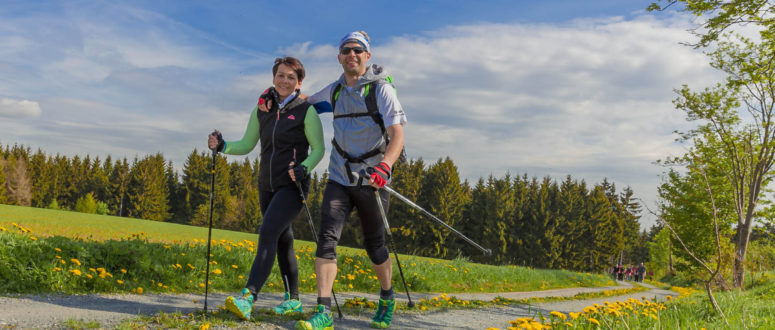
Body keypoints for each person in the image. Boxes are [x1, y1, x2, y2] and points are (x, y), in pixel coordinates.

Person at [291, 31, 407, 330]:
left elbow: (397, 135)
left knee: (375, 245)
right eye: (345, 50)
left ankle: (387, 296)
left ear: (367, 56)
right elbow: (303, 102)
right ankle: (323, 312)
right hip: (339, 178)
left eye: (357, 50)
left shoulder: (381, 90)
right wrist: (274, 95)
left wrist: (385, 167)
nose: (351, 55)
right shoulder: (336, 90)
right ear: (339, 56)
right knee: (326, 239)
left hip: (372, 179)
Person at [207, 56, 325, 320]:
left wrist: (305, 167)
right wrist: (223, 146)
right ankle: (293, 300)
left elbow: (318, 149)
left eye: (291, 77)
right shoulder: (262, 109)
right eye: (281, 75)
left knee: (268, 232)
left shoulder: (307, 111)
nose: (285, 81)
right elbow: (248, 144)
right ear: (274, 78)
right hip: (266, 185)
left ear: (299, 83)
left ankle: (249, 296)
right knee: (284, 240)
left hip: (293, 185)